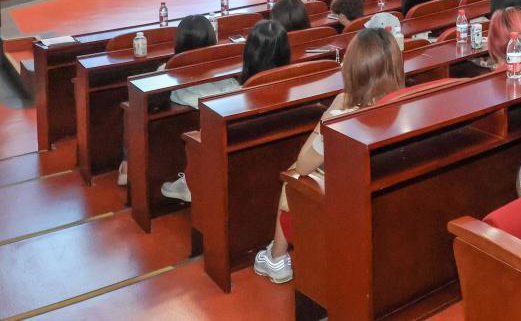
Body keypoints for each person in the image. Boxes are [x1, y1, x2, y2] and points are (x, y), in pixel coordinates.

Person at [252, 27, 404, 284]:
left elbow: (303, 165)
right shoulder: (406, 105)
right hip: (384, 202)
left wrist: (328, 117)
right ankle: (275, 257)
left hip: (341, 211)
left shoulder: (342, 116)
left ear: (353, 70)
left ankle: (276, 256)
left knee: (293, 176)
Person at [164, 20, 292, 202]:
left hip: (237, 171)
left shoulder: (239, 98)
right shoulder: (294, 84)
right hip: (276, 166)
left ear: (248, 53)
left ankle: (190, 183)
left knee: (201, 137)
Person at [118, 14, 217, 185]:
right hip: (209, 120)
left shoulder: (167, 69)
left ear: (178, 42)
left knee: (132, 110)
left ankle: (127, 166)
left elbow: (148, 100)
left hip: (188, 127)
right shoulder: (224, 63)